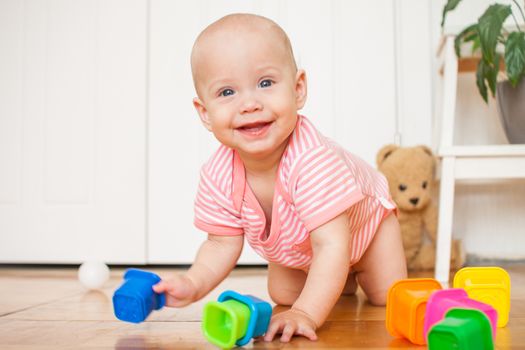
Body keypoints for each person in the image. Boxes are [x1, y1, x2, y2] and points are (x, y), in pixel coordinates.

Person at [153, 13, 407, 343]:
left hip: (366, 230)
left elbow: (332, 244)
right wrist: (193, 284)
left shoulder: (312, 160)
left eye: (265, 83)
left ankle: (349, 273)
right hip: (302, 247)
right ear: (204, 113)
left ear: (298, 89)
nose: (249, 103)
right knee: (283, 293)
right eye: (227, 92)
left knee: (387, 294)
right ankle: (338, 280)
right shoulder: (218, 175)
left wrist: (307, 313)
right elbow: (220, 244)